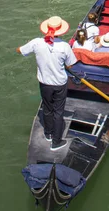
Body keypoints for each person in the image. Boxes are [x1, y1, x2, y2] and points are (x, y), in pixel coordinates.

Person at [16, 15, 77, 152]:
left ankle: (48, 133)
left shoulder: (36, 43)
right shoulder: (64, 46)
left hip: (44, 83)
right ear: (61, 30)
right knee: (58, 111)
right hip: (60, 84)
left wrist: (23, 46)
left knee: (48, 109)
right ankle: (56, 142)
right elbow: (71, 65)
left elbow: (20, 50)